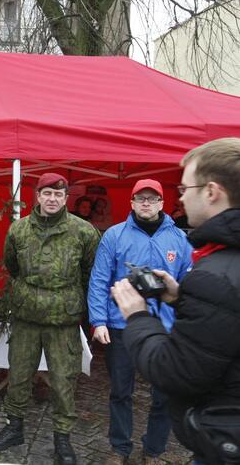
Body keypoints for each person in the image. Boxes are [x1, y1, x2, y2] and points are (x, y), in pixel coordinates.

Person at [111, 138, 240, 464]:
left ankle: (153, 449)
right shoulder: (220, 265)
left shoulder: (212, 272)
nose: (180, 197)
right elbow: (226, 320)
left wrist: (138, 316)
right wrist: (180, 298)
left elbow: (174, 373)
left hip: (224, 439)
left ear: (211, 192)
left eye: (185, 188)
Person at [0, 172, 100, 465]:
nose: (52, 199)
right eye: (47, 194)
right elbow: (12, 265)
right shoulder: (19, 230)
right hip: (26, 316)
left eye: (58, 195)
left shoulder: (84, 231)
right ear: (37, 196)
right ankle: (15, 427)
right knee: (19, 374)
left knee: (64, 381)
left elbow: (91, 273)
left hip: (63, 319)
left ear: (66, 198)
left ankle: (62, 440)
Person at [88, 179, 192, 464]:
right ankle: (119, 447)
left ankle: (154, 450)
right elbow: (99, 280)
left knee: (163, 395)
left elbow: (188, 284)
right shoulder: (114, 235)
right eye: (140, 198)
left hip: (166, 330)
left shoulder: (180, 240)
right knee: (121, 391)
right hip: (122, 326)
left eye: (152, 198)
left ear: (162, 203)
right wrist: (99, 321)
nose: (146, 203)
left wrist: (187, 323)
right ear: (132, 203)